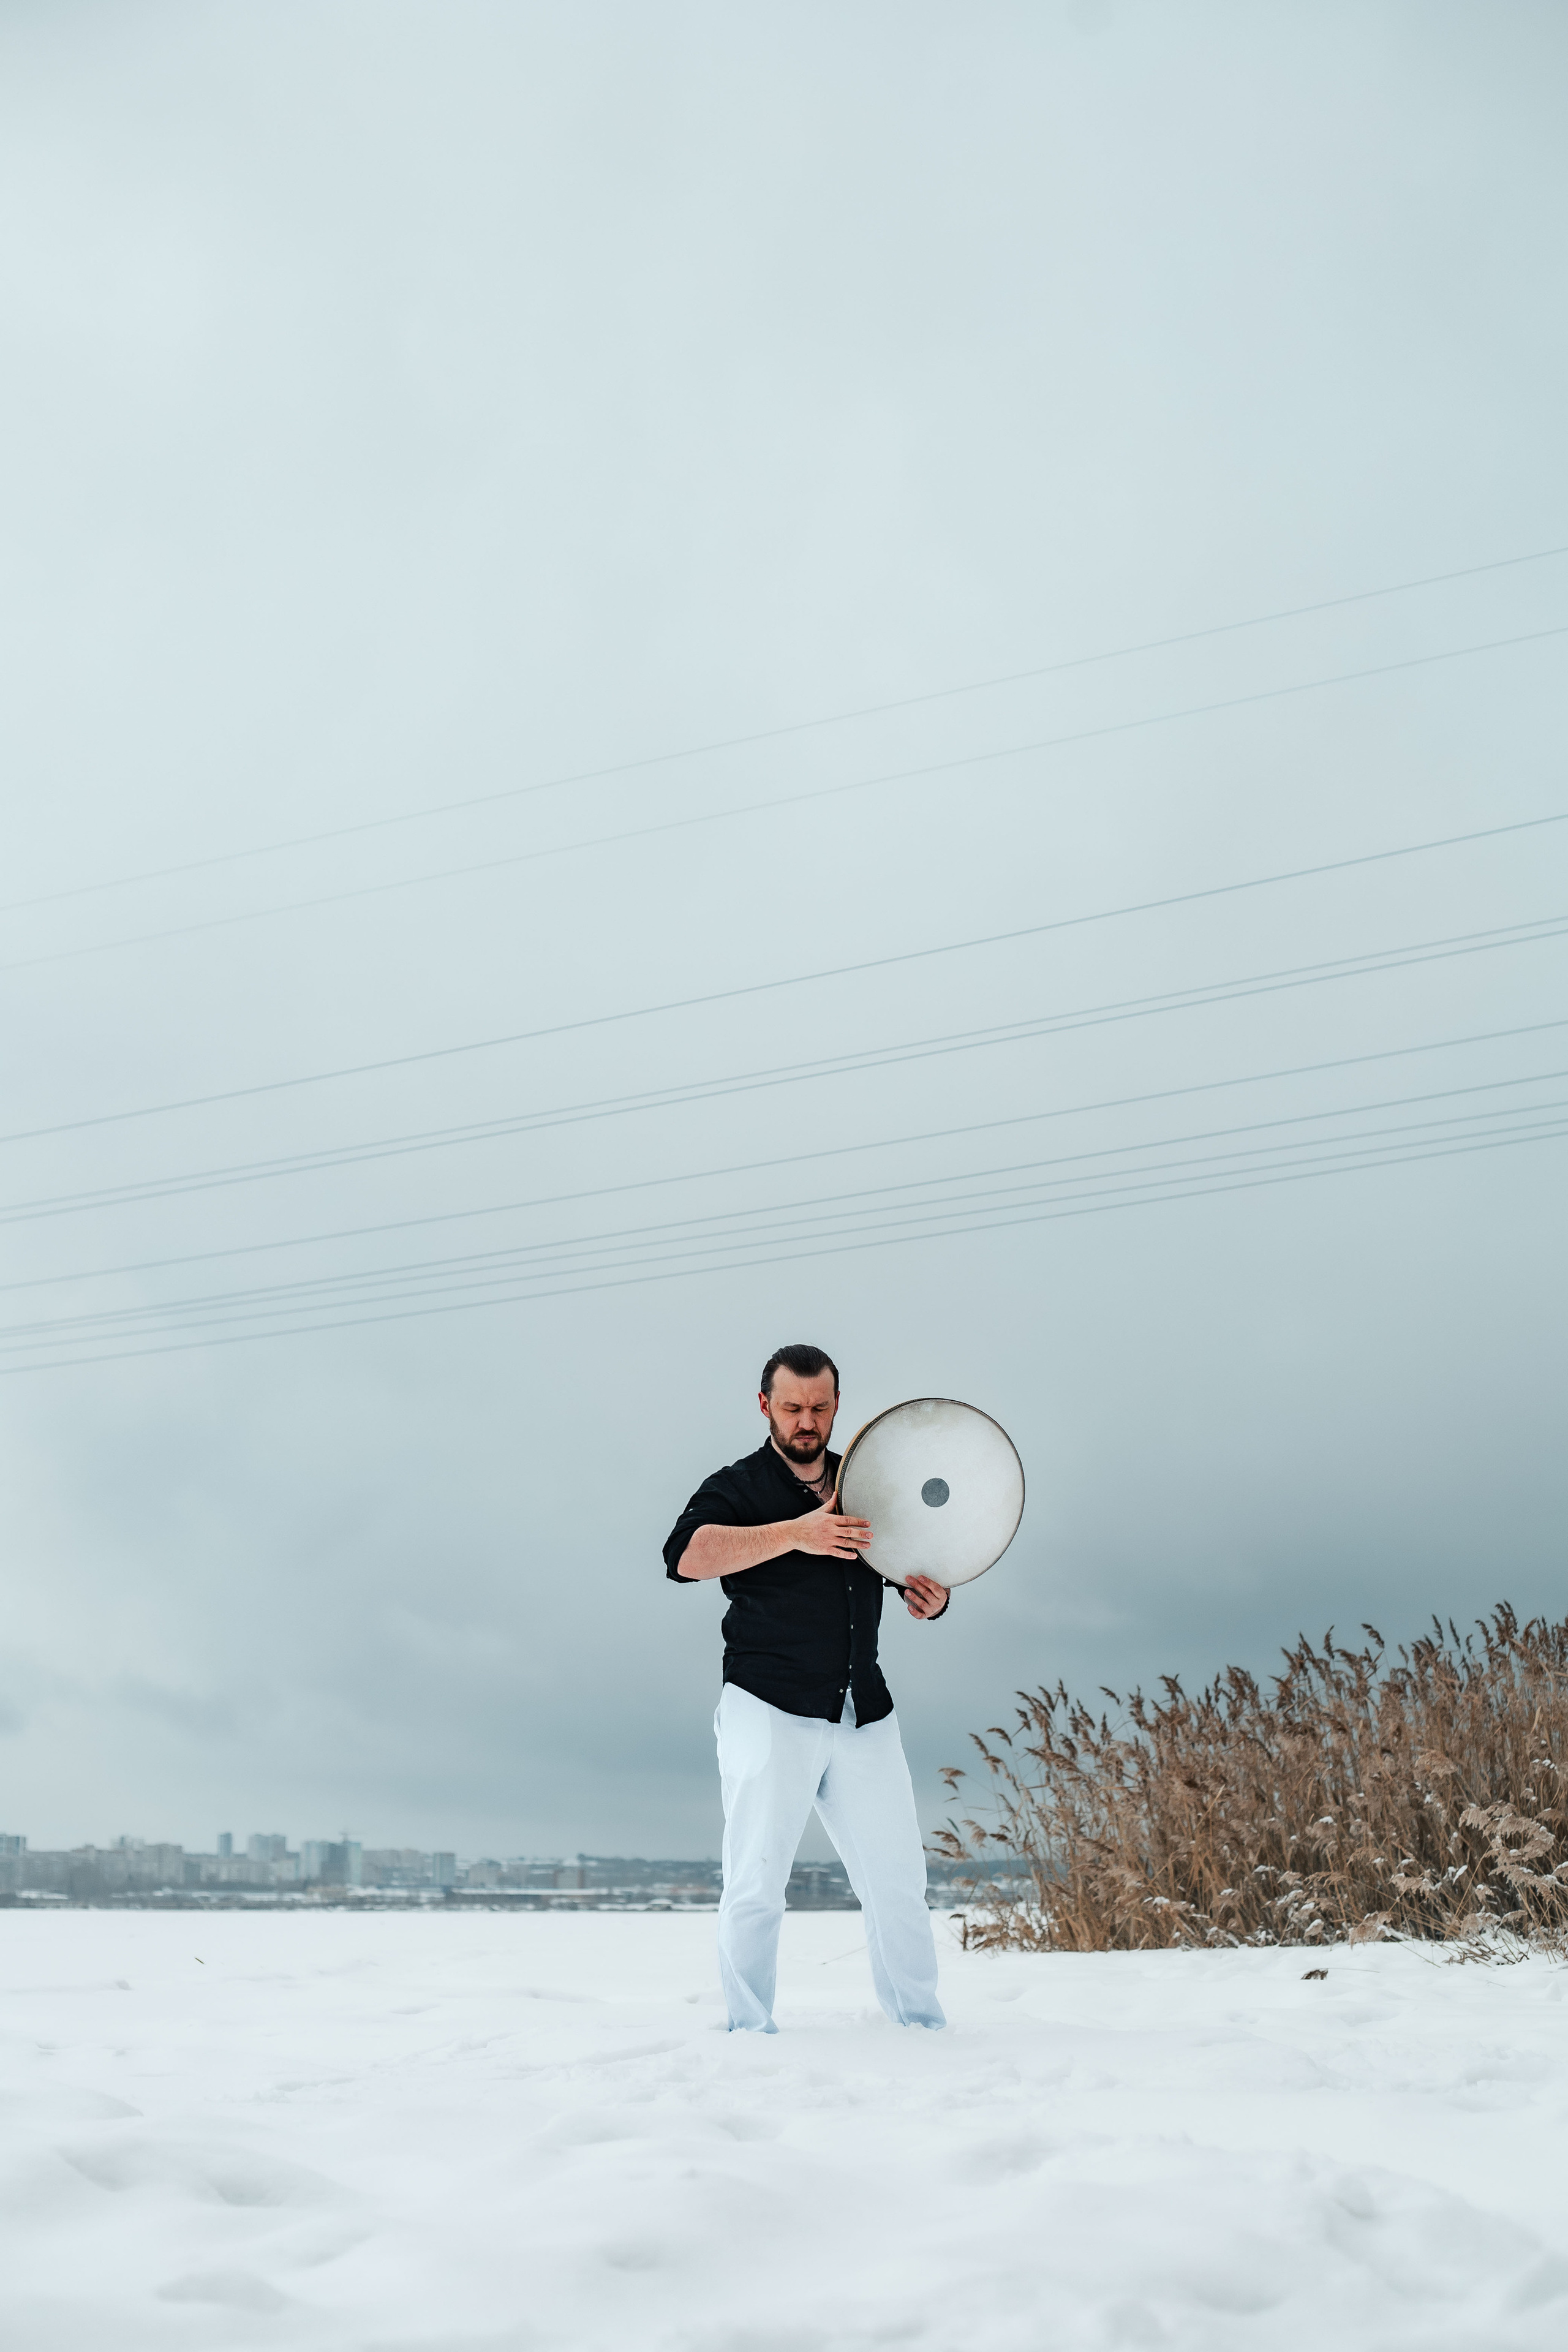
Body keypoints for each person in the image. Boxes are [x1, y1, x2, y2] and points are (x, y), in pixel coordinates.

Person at [663, 1344, 951, 2032]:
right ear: (765, 1406)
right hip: (768, 1705)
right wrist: (799, 1533)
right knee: (757, 1882)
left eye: (819, 1408)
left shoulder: (870, 1480)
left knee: (898, 1884)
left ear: (836, 1406)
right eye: (792, 1407)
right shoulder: (737, 1484)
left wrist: (932, 1599)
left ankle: (922, 2029)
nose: (806, 1421)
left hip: (863, 1709)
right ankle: (749, 2032)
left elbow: (917, 1559)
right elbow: (684, 1556)